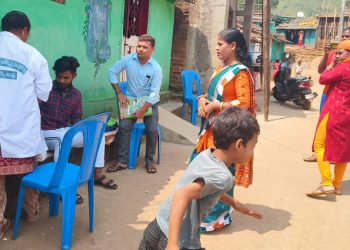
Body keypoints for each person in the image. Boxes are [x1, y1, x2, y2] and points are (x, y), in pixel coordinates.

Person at [139, 108, 262, 250]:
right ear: (239, 145)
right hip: (179, 240)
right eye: (253, 146)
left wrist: (234, 203)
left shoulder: (206, 155)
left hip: (158, 225)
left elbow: (205, 187)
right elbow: (182, 195)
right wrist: (172, 244)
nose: (252, 152)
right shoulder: (224, 177)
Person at [191, 28, 256, 232]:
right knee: (201, 168)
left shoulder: (241, 72)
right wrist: (202, 100)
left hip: (227, 133)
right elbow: (209, 94)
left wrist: (216, 107)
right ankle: (200, 211)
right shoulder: (220, 69)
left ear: (233, 46)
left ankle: (216, 217)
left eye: (220, 44)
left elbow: (245, 104)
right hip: (211, 129)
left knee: (219, 174)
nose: (216, 48)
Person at [0, 11, 52, 238]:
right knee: (29, 173)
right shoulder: (33, 55)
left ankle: (1, 221)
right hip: (20, 131)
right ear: (24, 31)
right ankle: (31, 213)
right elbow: (44, 93)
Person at [40, 56, 117, 204]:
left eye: (66, 77)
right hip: (45, 132)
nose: (62, 80)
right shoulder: (45, 89)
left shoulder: (76, 95)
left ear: (74, 76)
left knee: (96, 135)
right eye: (59, 77)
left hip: (64, 130)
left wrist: (83, 131)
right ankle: (60, 186)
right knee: (62, 142)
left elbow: (76, 120)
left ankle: (97, 174)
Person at [108, 34, 162, 174]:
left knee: (152, 130)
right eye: (139, 46)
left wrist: (142, 111)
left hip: (149, 103)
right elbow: (112, 72)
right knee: (124, 128)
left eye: (145, 47)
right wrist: (119, 92)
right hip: (131, 100)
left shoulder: (156, 68)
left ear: (152, 50)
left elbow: (154, 93)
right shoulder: (128, 60)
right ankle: (121, 162)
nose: (140, 49)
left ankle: (149, 161)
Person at [306, 40, 350, 197]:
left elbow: (323, 78)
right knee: (343, 151)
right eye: (336, 53)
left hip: (335, 111)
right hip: (347, 114)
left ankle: (326, 183)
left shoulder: (344, 68)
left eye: (340, 53)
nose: (337, 56)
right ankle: (337, 185)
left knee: (319, 144)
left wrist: (331, 64)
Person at [303, 27, 350, 163]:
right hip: (328, 94)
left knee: (338, 128)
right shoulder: (336, 53)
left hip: (344, 98)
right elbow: (320, 71)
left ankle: (334, 155)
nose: (345, 38)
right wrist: (326, 55)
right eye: (344, 36)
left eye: (348, 36)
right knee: (323, 125)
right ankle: (318, 152)